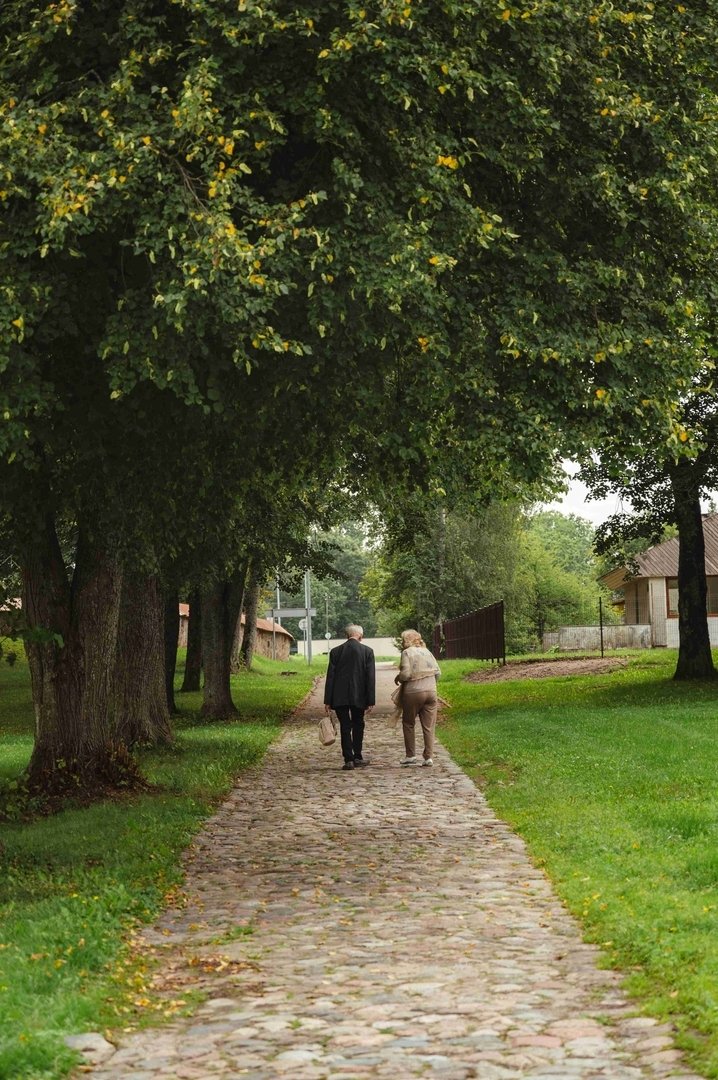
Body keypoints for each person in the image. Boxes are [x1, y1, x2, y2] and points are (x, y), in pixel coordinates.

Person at [324, 624, 376, 771]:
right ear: (360, 636)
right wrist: (370, 700)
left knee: (345, 726)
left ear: (347, 635)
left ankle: (348, 759)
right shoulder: (367, 651)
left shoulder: (335, 652)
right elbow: (370, 677)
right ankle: (358, 756)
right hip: (359, 695)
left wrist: (328, 700)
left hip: (339, 696)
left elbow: (330, 677)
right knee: (358, 724)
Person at [395, 629, 441, 767]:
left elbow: (406, 674)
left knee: (408, 723)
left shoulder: (407, 653)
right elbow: (438, 672)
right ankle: (428, 757)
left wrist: (399, 677)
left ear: (407, 640)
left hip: (413, 692)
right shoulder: (427, 652)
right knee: (429, 726)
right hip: (431, 691)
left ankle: (410, 755)